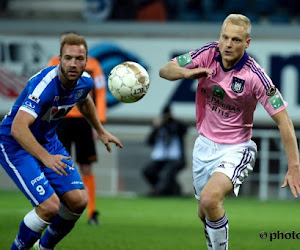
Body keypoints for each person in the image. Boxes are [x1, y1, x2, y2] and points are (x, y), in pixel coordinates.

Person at [159, 14, 300, 250]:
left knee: (209, 199)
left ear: (247, 43)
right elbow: (166, 70)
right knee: (204, 212)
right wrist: (188, 74)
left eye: (236, 39)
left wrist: (294, 166)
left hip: (236, 148)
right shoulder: (207, 53)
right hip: (203, 145)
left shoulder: (255, 77)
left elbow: (284, 121)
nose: (228, 44)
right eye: (225, 37)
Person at [0, 33, 123, 250]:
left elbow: (85, 101)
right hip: (14, 144)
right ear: (59, 59)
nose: (73, 64)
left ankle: (44, 247)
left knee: (78, 201)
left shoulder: (84, 82)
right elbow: (18, 128)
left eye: (79, 59)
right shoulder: (44, 85)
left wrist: (100, 130)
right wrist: (45, 158)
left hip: (47, 141)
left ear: (87, 61)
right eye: (68, 58)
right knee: (49, 207)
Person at [48, 31, 107, 225]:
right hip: (61, 120)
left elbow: (100, 92)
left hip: (84, 121)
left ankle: (91, 213)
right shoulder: (54, 63)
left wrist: (99, 124)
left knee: (86, 167)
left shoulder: (93, 65)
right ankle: (56, 209)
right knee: (58, 166)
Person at [142, 105, 187, 196]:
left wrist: (172, 120)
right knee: (148, 171)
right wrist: (156, 127)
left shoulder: (176, 125)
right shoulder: (159, 127)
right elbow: (149, 141)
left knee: (166, 173)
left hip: (175, 158)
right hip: (160, 158)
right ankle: (169, 190)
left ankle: (158, 192)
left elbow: (183, 129)